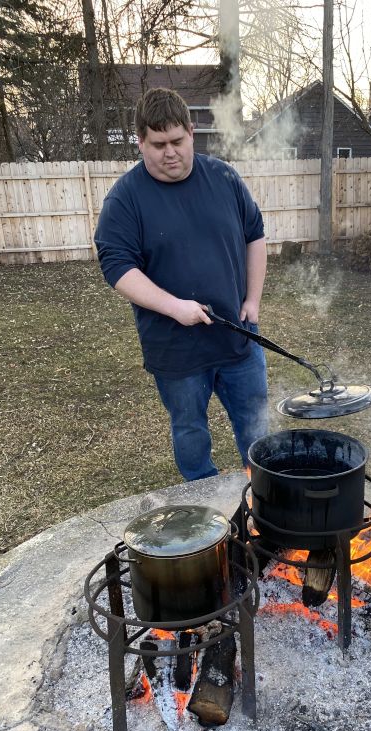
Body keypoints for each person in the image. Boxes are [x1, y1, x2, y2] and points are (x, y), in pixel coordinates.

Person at [95, 87, 268, 481]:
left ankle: (264, 503)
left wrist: (253, 300)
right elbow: (117, 267)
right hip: (175, 351)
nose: (169, 152)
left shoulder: (224, 177)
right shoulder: (126, 199)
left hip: (237, 338)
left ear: (192, 132)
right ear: (140, 142)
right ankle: (203, 512)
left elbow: (254, 235)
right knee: (190, 432)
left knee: (257, 432)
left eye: (177, 140)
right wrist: (177, 307)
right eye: (158, 144)